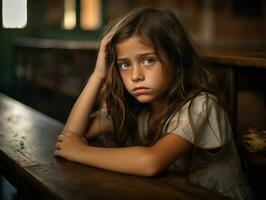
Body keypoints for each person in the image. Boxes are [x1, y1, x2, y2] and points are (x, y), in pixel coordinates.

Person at [54, 8, 253, 199]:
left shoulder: (201, 105)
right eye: (125, 64)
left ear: (175, 59)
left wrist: (80, 151)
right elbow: (70, 137)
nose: (135, 76)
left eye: (148, 60)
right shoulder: (134, 108)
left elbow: (151, 162)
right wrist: (98, 74)